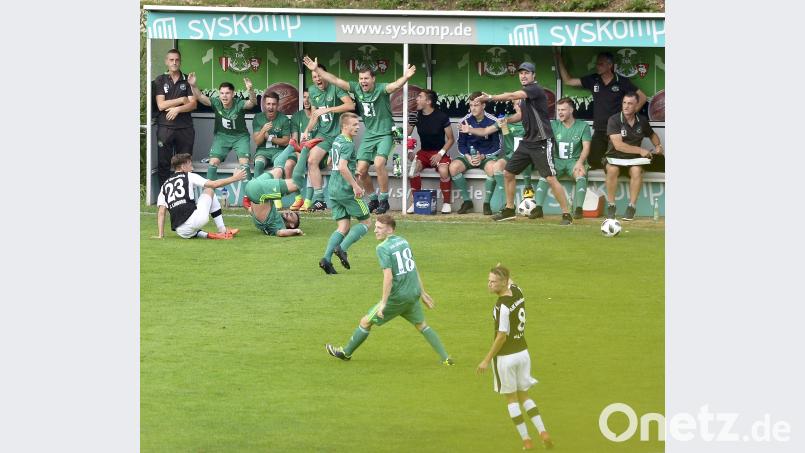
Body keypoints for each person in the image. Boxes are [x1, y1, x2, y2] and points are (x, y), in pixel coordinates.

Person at [325, 214, 454, 365]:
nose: (375, 231)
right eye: (376, 227)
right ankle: (446, 358)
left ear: (390, 230)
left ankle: (345, 353)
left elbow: (388, 277)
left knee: (365, 321)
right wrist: (422, 292)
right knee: (422, 325)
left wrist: (384, 303)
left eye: (380, 228)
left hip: (397, 297)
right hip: (412, 294)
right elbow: (413, 267)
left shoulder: (382, 248)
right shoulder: (403, 241)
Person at [304, 56, 416, 214]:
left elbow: (394, 86)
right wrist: (316, 69)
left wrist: (405, 77)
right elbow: (335, 79)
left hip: (386, 133)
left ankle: (384, 200)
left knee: (378, 164)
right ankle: (373, 199)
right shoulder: (356, 88)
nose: (363, 81)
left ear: (373, 79)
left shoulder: (381, 88)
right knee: (361, 170)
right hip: (370, 134)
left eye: (366, 78)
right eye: (361, 78)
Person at [482, 63, 573, 225]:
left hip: (542, 141)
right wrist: (508, 120)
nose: (523, 76)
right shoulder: (526, 96)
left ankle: (566, 214)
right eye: (521, 73)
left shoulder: (535, 89)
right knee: (508, 173)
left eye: (527, 73)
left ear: (533, 75)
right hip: (527, 142)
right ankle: (509, 209)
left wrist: (490, 98)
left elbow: (511, 96)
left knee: (550, 178)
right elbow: (522, 116)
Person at [477, 265, 554, 451]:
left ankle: (527, 440)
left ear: (503, 282)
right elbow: (512, 281)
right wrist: (501, 270)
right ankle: (543, 432)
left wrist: (486, 360)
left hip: (506, 358)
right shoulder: (518, 292)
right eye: (489, 280)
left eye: (493, 281)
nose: (489, 284)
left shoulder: (500, 307)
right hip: (523, 353)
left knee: (511, 399)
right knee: (525, 395)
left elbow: (501, 336)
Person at [556, 49, 647, 170]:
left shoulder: (621, 81)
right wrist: (559, 59)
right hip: (599, 129)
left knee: (617, 164)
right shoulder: (594, 79)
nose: (597, 66)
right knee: (593, 162)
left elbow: (643, 97)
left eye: (601, 64)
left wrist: (630, 115)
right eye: (597, 63)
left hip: (616, 131)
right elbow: (568, 81)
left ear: (610, 65)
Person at [317, 112, 371, 274]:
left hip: (333, 188)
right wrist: (355, 185)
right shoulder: (347, 143)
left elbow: (329, 161)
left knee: (343, 226)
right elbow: (341, 166)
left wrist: (351, 171)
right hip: (345, 190)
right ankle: (342, 249)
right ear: (345, 126)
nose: (358, 127)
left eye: (358, 124)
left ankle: (326, 260)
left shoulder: (337, 140)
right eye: (354, 124)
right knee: (367, 222)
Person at [300, 61, 355, 212]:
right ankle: (319, 200)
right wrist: (306, 130)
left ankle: (348, 199)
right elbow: (314, 114)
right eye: (314, 77)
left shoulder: (335, 88)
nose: (317, 79)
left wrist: (329, 109)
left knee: (339, 166)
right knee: (311, 160)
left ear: (324, 76)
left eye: (319, 76)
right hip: (323, 135)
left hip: (340, 135)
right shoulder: (312, 91)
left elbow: (351, 105)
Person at [154, 153, 245, 240]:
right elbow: (214, 184)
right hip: (195, 220)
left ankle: (206, 235)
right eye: (189, 164)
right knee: (209, 189)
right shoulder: (189, 176)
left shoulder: (165, 185)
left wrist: (160, 235)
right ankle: (222, 230)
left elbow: (161, 212)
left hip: (181, 231)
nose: (192, 167)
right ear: (182, 167)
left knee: (189, 227)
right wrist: (235, 178)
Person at [463, 101, 535, 208]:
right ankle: (508, 203)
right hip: (511, 155)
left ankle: (528, 191)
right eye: (516, 104)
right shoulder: (505, 120)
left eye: (522, 103)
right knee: (497, 166)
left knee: (525, 159)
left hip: (529, 156)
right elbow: (485, 131)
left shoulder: (534, 120)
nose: (519, 106)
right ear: (514, 106)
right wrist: (470, 129)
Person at [604, 92, 664, 221]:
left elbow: (652, 135)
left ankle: (632, 206)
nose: (626, 106)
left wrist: (658, 145)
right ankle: (611, 205)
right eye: (624, 103)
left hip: (633, 160)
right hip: (615, 157)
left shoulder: (641, 120)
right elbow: (619, 145)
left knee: (636, 171)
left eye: (630, 104)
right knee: (612, 170)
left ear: (636, 105)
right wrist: (640, 150)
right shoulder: (614, 120)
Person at [530, 98, 592, 220]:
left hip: (574, 160)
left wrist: (580, 163)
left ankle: (579, 208)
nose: (560, 113)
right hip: (557, 160)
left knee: (580, 173)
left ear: (571, 110)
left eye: (563, 109)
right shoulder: (553, 125)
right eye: (558, 110)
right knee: (545, 174)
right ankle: (538, 208)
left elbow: (586, 147)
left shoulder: (583, 126)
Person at [188, 76, 257, 181]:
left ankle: (248, 195)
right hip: (222, 136)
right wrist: (193, 85)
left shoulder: (239, 103)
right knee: (213, 163)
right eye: (222, 93)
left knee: (244, 163)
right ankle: (209, 193)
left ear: (233, 94)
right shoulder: (216, 102)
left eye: (227, 93)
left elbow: (252, 103)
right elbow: (200, 97)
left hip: (240, 137)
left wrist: (250, 90)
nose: (224, 96)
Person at [241, 138, 315, 235]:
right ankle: (291, 146)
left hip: (257, 192)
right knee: (278, 171)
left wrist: (296, 231)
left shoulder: (278, 225)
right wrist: (247, 199)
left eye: (291, 215)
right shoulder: (271, 220)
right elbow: (248, 208)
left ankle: (305, 149)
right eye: (291, 213)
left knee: (296, 184)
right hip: (252, 188)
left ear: (292, 225)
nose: (289, 211)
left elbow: (280, 232)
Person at [452, 92, 502, 215]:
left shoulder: (493, 121)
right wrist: (468, 157)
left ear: (483, 105)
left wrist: (483, 156)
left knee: (492, 169)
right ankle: (467, 201)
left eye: (476, 105)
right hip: (469, 156)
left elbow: (497, 146)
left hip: (486, 156)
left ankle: (487, 203)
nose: (473, 108)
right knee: (453, 167)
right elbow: (461, 144)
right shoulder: (464, 121)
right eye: (471, 105)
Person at [406, 89, 455, 214]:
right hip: (423, 152)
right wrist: (410, 150)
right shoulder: (415, 115)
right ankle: (415, 202)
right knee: (412, 171)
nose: (417, 99)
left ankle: (446, 203)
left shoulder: (442, 116)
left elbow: (451, 139)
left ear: (428, 101)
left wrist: (440, 154)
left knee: (444, 171)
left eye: (420, 97)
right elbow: (406, 135)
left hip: (439, 152)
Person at [153, 49, 197, 188]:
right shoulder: (160, 79)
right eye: (171, 60)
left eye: (177, 60)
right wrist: (181, 99)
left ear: (180, 61)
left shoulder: (187, 79)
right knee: (164, 163)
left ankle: (183, 194)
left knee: (184, 163)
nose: (174, 62)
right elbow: (161, 105)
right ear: (166, 61)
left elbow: (193, 104)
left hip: (185, 128)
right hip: (165, 127)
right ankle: (164, 195)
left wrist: (178, 109)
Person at [289, 88, 318, 211]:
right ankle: (298, 198)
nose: (306, 100)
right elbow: (295, 139)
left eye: (309, 97)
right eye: (304, 97)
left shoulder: (319, 116)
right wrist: (299, 154)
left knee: (311, 161)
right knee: (288, 165)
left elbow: (321, 140)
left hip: (315, 151)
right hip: (301, 151)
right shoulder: (297, 116)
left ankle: (308, 200)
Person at [251, 91, 291, 179]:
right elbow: (257, 142)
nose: (271, 107)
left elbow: (286, 142)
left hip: (278, 152)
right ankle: (257, 191)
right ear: (264, 104)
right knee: (258, 165)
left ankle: (276, 191)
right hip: (262, 152)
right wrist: (263, 131)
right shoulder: (258, 117)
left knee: (279, 168)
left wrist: (268, 137)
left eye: (273, 104)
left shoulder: (284, 119)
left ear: (278, 105)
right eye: (268, 104)